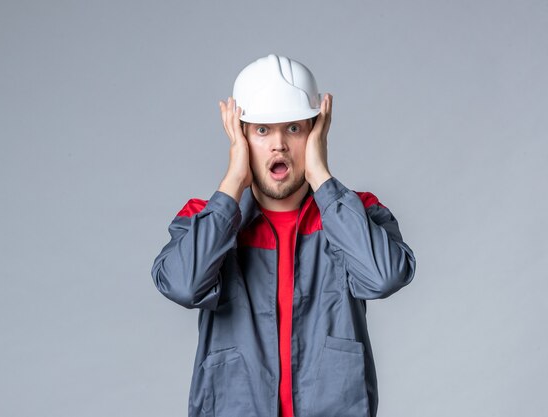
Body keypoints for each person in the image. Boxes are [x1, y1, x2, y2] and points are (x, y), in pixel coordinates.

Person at [151, 54, 416, 417]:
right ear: (239, 135)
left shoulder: (353, 213)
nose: (278, 144)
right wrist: (231, 185)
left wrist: (322, 177)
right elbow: (182, 284)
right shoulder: (206, 218)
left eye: (293, 128)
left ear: (315, 131)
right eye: (262, 130)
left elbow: (385, 276)